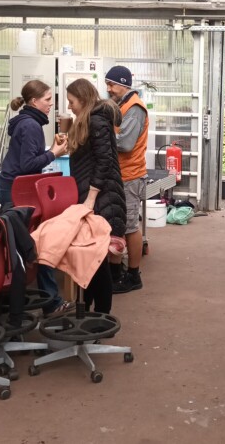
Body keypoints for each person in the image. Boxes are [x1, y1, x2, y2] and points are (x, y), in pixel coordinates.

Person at [0, 79, 69, 313]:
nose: (51, 104)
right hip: (17, 191)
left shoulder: (28, 123)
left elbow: (25, 156)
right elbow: (28, 164)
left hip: (15, 187)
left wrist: (49, 147)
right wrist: (53, 152)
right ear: (33, 101)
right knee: (33, 246)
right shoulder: (30, 126)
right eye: (48, 100)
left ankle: (32, 301)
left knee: (26, 246)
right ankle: (47, 302)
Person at [66, 78, 125, 314]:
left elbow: (104, 161)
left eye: (71, 101)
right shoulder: (90, 120)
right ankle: (88, 310)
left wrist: (91, 198)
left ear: (82, 98)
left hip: (102, 199)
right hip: (99, 196)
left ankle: (100, 316)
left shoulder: (96, 121)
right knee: (93, 260)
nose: (69, 106)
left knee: (97, 262)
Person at [103, 66, 150, 294]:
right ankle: (115, 272)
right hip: (119, 175)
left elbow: (125, 144)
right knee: (118, 225)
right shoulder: (121, 105)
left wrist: (100, 134)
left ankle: (133, 275)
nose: (108, 89)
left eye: (112, 85)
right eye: (107, 84)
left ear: (124, 84)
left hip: (130, 176)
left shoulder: (135, 108)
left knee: (130, 226)